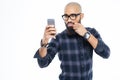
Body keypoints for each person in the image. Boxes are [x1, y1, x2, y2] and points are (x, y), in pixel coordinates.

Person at [34, 2, 110, 80]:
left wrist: (86, 35)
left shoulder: (92, 33)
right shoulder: (59, 38)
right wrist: (45, 41)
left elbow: (106, 53)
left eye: (73, 16)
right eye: (66, 16)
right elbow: (42, 63)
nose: (69, 20)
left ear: (81, 16)